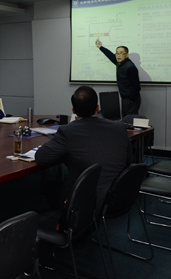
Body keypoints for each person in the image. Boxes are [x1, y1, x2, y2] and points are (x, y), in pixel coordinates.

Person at [35, 86, 132, 230]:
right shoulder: (119, 128)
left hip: (84, 202)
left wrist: (66, 155)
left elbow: (41, 158)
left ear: (73, 110)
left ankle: (65, 226)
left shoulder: (68, 131)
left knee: (51, 187)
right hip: (117, 197)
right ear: (97, 108)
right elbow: (129, 160)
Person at [95, 39, 141, 116]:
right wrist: (100, 47)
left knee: (130, 121)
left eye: (121, 53)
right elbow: (110, 55)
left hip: (130, 100)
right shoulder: (119, 62)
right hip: (125, 98)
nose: (118, 55)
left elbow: (137, 87)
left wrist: (131, 100)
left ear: (127, 55)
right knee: (125, 120)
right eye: (117, 53)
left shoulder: (130, 67)